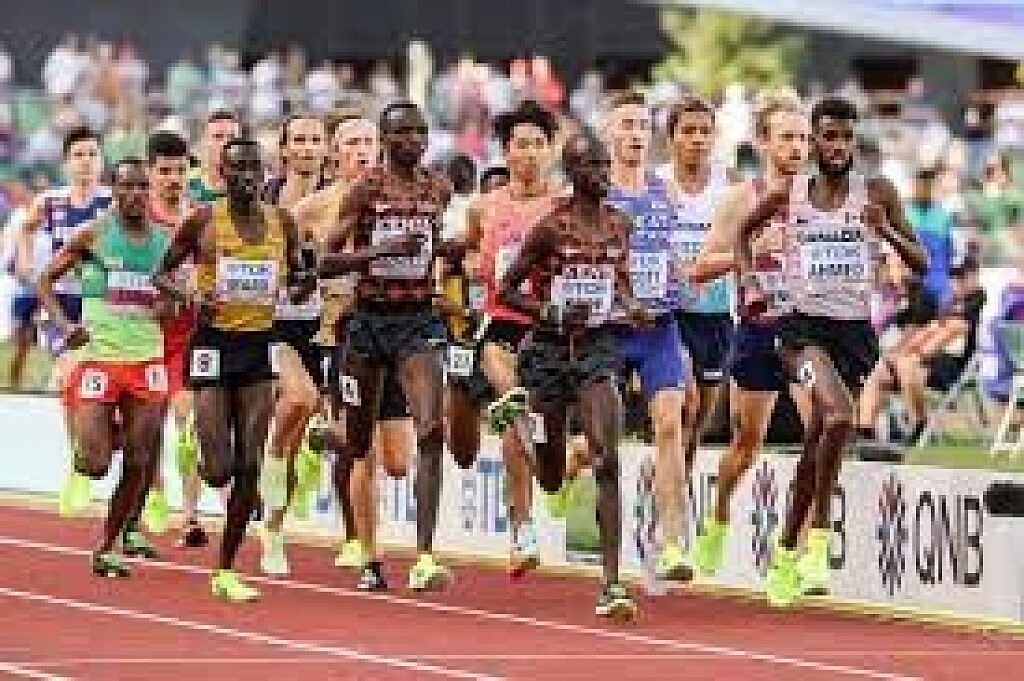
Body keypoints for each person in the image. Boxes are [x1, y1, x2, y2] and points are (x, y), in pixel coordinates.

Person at [737, 97, 927, 607]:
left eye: (846, 137)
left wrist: (885, 230)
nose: (838, 146)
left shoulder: (877, 192)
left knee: (817, 441)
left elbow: (922, 262)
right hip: (799, 332)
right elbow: (742, 234)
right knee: (841, 416)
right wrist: (752, 281)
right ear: (815, 141)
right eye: (828, 136)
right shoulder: (791, 192)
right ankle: (819, 542)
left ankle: (784, 554)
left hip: (853, 335)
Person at [498, 131, 649, 620]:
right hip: (548, 355)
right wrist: (550, 311)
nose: (602, 174)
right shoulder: (550, 228)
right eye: (592, 167)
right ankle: (522, 425)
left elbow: (620, 284)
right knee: (548, 476)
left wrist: (632, 308)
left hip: (597, 351)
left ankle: (612, 584)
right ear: (572, 173)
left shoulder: (621, 224)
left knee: (607, 460)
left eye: (605, 166)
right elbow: (506, 290)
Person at [154, 138, 314, 602]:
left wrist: (303, 282)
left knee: (249, 463)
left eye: (253, 168)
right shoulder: (204, 220)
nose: (246, 176)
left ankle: (225, 569)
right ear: (222, 175)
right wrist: (191, 297)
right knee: (218, 470)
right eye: (237, 168)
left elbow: (299, 281)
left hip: (259, 344)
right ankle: (196, 438)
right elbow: (161, 275)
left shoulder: (281, 222)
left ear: (264, 173)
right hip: (213, 343)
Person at [320, 101, 457, 592]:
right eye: (402, 133)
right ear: (385, 139)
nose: (413, 141)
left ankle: (424, 556)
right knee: (360, 447)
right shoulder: (365, 190)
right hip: (368, 324)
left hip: (417, 322)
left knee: (431, 430)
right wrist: (382, 251)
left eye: (420, 132)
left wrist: (449, 254)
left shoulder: (439, 189)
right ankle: (370, 556)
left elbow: (441, 246)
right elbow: (326, 262)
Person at [688, 93, 813, 580]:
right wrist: (752, 253)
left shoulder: (824, 199)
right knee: (746, 446)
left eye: (803, 138)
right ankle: (718, 517)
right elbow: (701, 267)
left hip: (807, 334)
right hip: (757, 332)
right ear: (763, 142)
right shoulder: (740, 199)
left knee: (818, 434)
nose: (797, 147)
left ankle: (795, 553)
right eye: (787, 137)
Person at [293, 114, 416, 587]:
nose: (362, 151)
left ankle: (328, 435)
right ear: (335, 154)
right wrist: (304, 280)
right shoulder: (313, 207)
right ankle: (371, 555)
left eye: (369, 142)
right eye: (352, 143)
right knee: (365, 453)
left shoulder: (396, 200)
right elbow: (289, 256)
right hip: (341, 334)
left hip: (394, 327)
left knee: (398, 463)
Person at [37, 157, 171, 577]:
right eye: (126, 187)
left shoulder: (165, 242)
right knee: (95, 464)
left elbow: (172, 298)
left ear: (149, 191)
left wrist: (172, 301)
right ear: (113, 191)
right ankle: (96, 433)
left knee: (140, 459)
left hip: (146, 361)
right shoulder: (92, 233)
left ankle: (109, 544)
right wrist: (64, 327)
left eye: (141, 187)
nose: (134, 195)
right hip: (99, 359)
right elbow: (45, 279)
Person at [450, 100, 560, 575]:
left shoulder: (563, 206)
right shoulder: (484, 207)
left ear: (550, 151)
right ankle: (522, 529)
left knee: (543, 441)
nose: (529, 153)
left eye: (538, 144)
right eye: (520, 145)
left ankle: (555, 461)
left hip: (551, 323)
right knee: (512, 405)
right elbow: (470, 251)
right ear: (506, 151)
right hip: (502, 321)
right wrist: (468, 266)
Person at [602, 92, 692, 581]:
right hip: (609, 331)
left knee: (670, 425)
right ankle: (565, 470)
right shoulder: (594, 194)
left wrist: (683, 277)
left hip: (659, 329)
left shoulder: (665, 190)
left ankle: (672, 542)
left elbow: (674, 254)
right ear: (608, 133)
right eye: (626, 125)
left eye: (641, 125)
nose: (635, 133)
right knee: (601, 439)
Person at [14, 125, 111, 516]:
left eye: (92, 154)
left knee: (90, 387)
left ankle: (92, 458)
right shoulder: (50, 201)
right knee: (67, 380)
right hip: (61, 306)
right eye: (78, 155)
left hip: (102, 305)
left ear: (102, 161)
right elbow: (26, 228)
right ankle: (79, 464)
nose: (86, 162)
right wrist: (25, 263)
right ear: (66, 163)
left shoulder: (112, 201)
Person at [259, 113, 330, 576]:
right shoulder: (263, 200)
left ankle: (273, 529)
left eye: (315, 140)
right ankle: (271, 461)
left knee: (302, 428)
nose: (307, 147)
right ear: (284, 150)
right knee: (300, 398)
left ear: (326, 148)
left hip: (322, 328)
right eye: (298, 140)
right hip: (270, 325)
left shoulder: (340, 200)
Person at [657, 96, 737, 501]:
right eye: (688, 131)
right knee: (684, 403)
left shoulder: (730, 186)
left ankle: (676, 494)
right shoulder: (656, 185)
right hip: (671, 315)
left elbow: (747, 242)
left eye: (705, 131)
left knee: (699, 419)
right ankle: (670, 504)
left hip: (716, 314)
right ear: (671, 137)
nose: (697, 139)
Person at [145, 130, 206, 547]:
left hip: (187, 334)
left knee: (188, 424)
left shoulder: (199, 218)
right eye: (164, 171)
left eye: (180, 171)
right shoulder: (136, 218)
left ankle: (190, 515)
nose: (173, 179)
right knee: (148, 426)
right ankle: (154, 495)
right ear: (150, 173)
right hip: (145, 335)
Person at [186, 110, 241, 204]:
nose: (225, 144)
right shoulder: (187, 183)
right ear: (205, 141)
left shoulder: (252, 184)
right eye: (218, 137)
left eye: (232, 138)